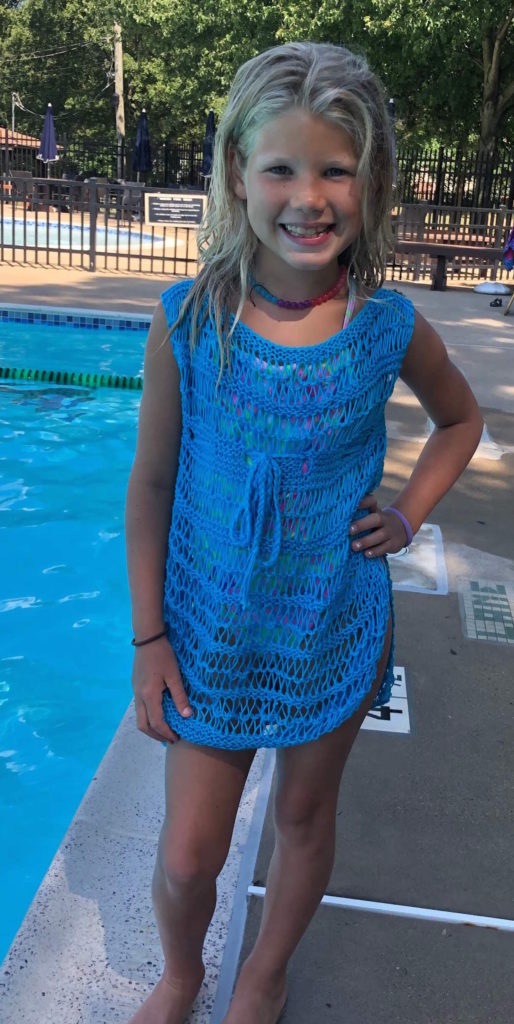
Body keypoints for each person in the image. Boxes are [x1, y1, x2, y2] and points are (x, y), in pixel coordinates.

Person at [125, 41, 483, 1024]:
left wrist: (408, 510)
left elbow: (461, 420)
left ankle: (265, 973)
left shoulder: (385, 325)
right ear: (237, 173)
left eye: (336, 168)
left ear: (371, 183)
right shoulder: (189, 321)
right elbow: (151, 483)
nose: (308, 194)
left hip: (330, 625)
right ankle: (181, 970)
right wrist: (149, 638)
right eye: (281, 166)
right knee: (189, 849)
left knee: (301, 816)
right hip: (205, 638)